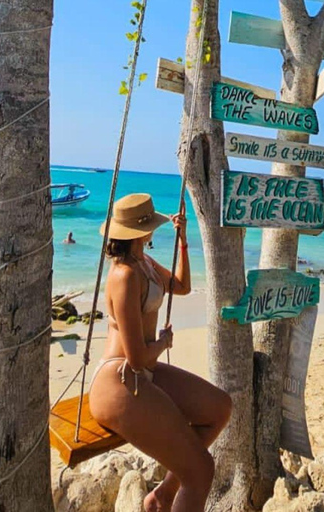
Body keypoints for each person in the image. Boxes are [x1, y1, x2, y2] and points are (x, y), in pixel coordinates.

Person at [88, 194, 231, 511]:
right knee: (201, 470)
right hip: (119, 381)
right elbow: (136, 358)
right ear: (141, 231)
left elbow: (181, 286)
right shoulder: (124, 275)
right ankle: (172, 489)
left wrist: (182, 240)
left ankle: (163, 495)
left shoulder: (143, 262)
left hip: (142, 373)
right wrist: (164, 343)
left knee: (220, 408)